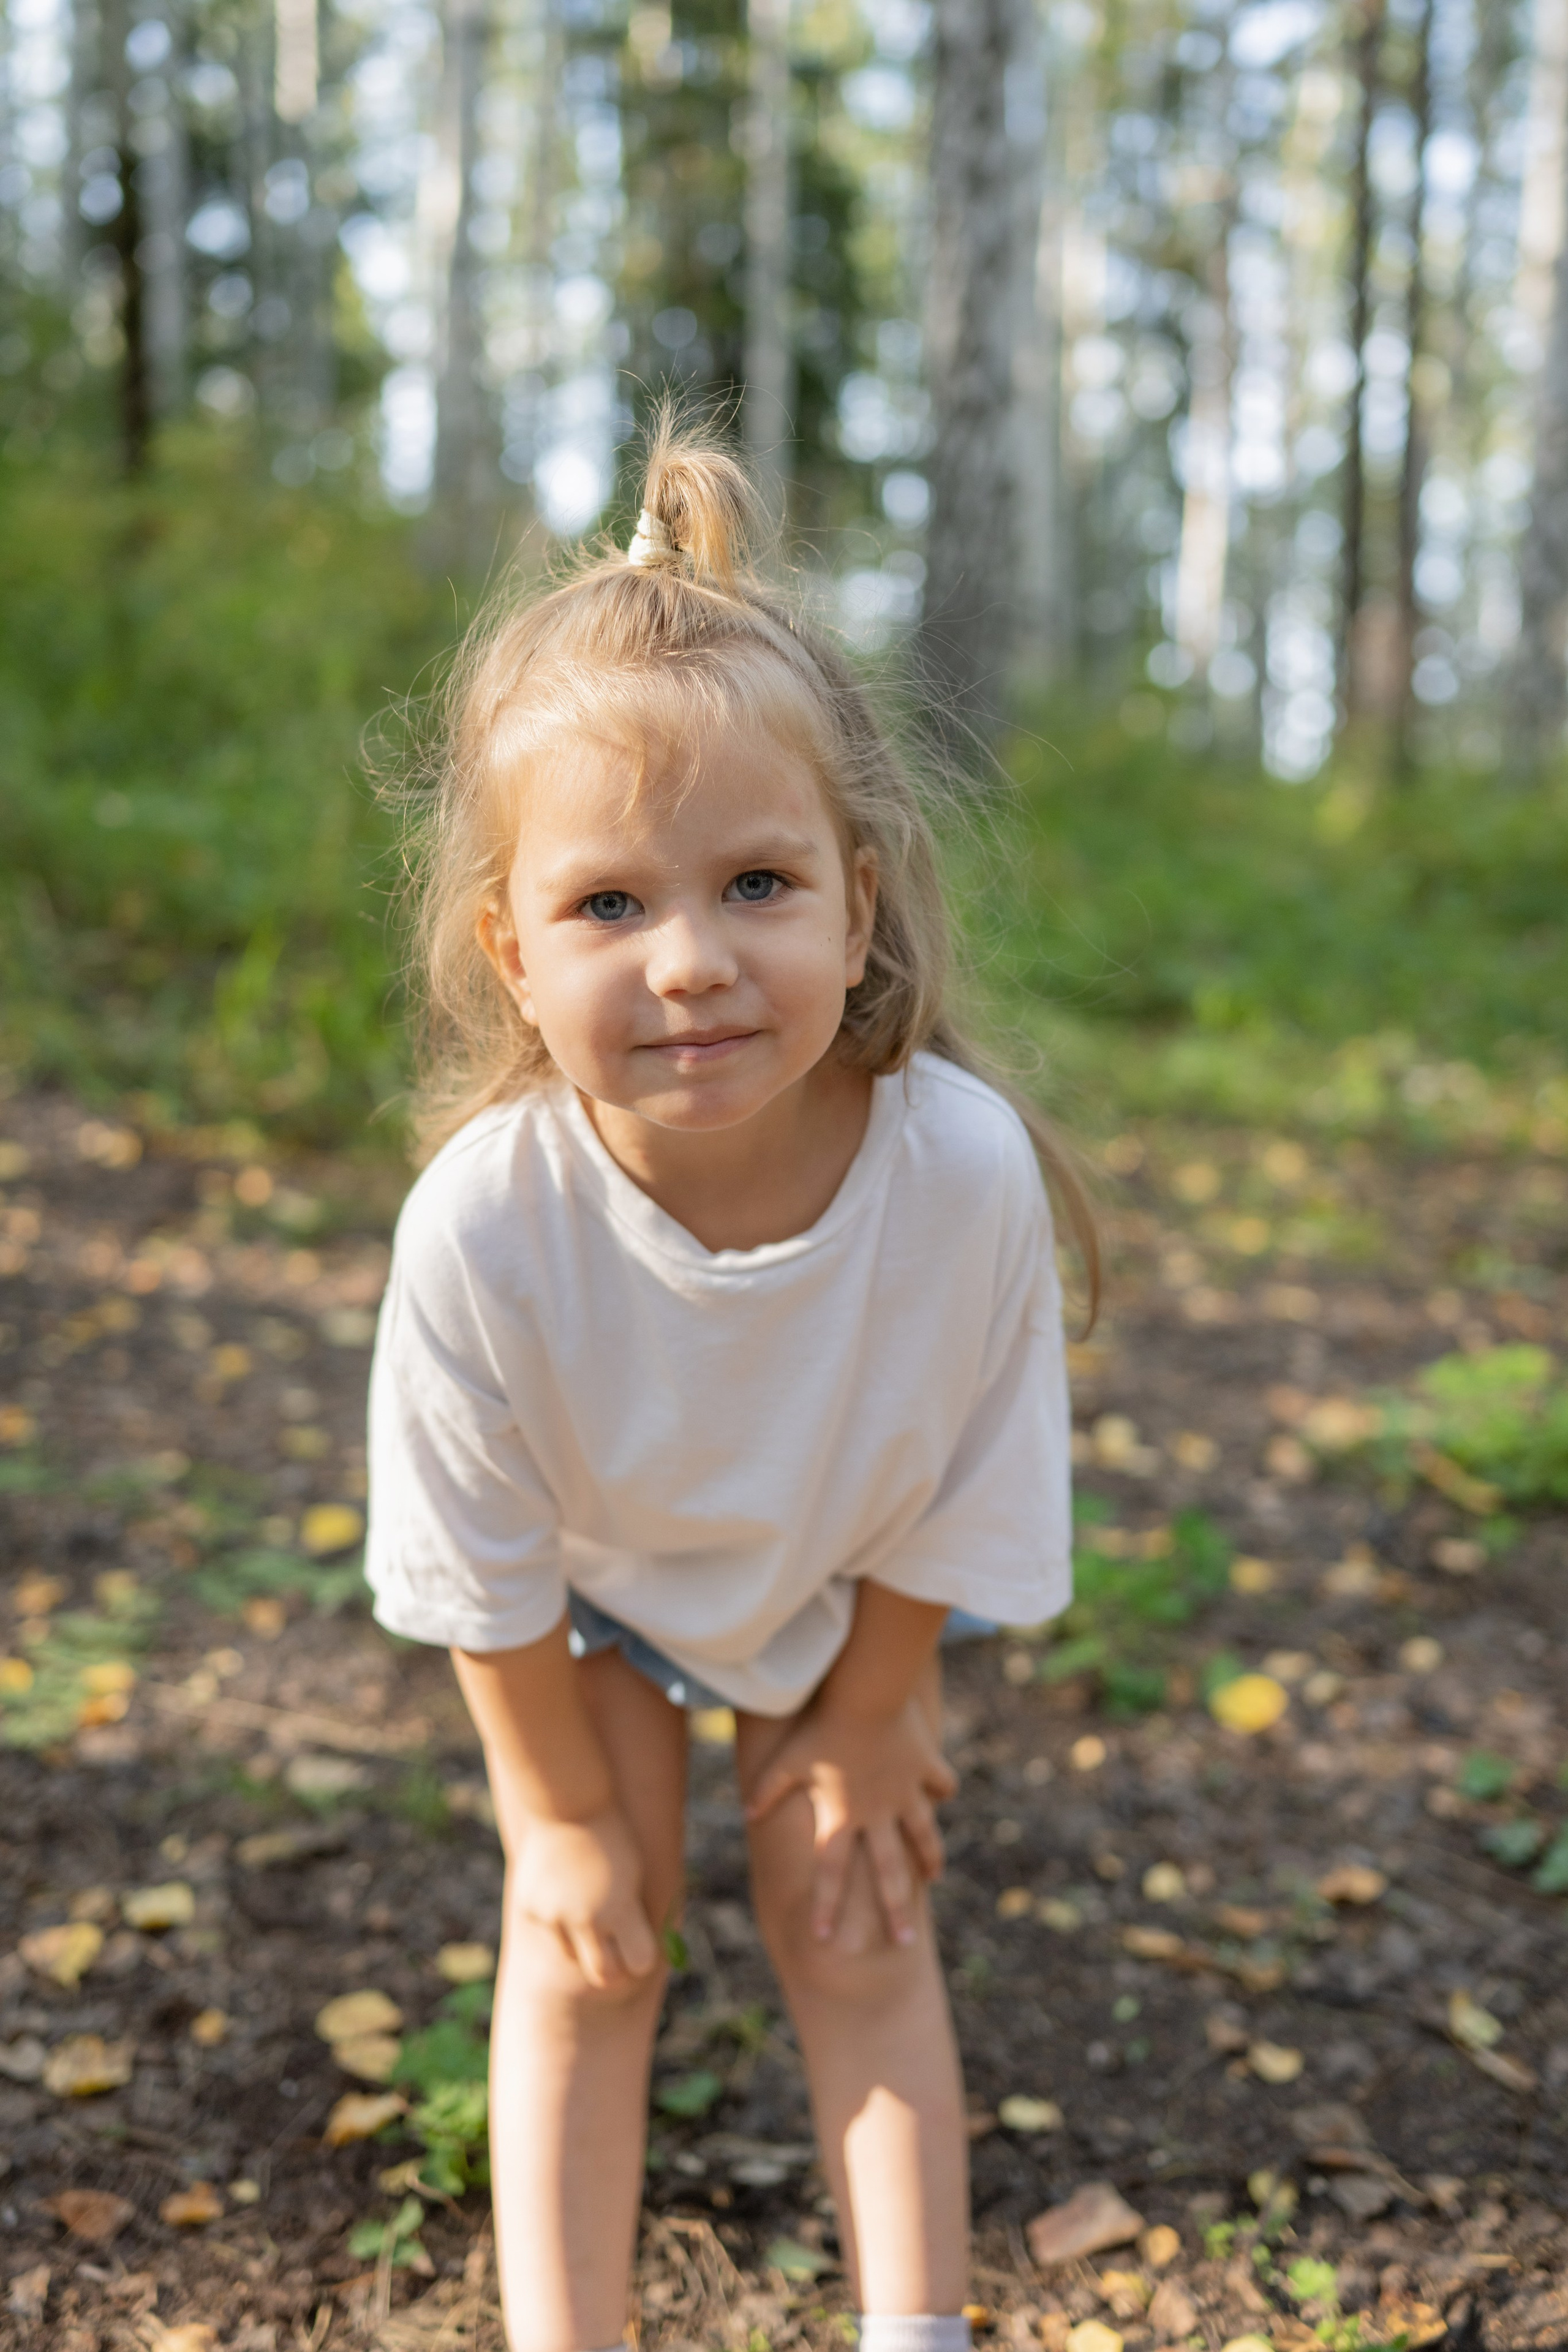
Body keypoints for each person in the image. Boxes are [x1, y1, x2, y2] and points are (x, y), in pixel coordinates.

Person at [365, 418, 1094, 2352]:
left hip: (838, 1580)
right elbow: (477, 1553)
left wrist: (872, 1703)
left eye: (756, 884)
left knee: (856, 1916)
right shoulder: (486, 1230)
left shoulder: (954, 1171)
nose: (689, 962)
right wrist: (560, 1818)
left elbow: (974, 1454)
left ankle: (916, 2327)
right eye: (611, 907)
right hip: (588, 1608)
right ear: (511, 955)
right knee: (587, 1952)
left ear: (857, 907)